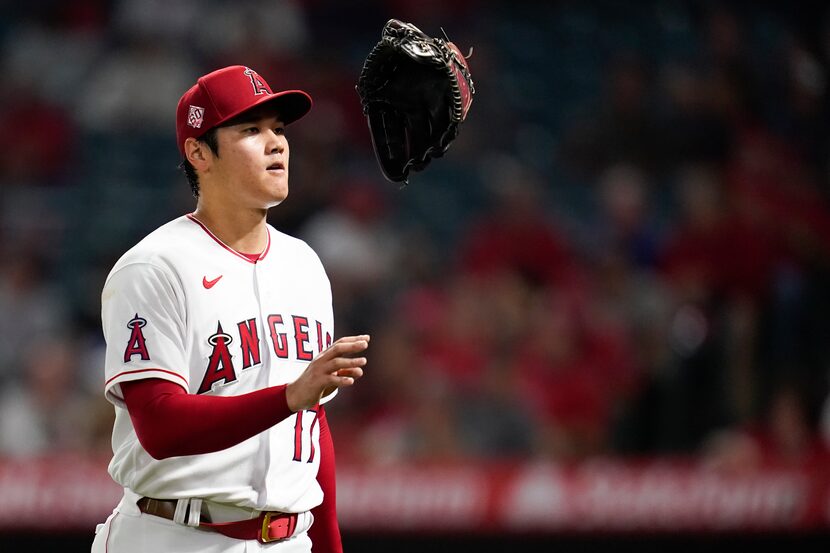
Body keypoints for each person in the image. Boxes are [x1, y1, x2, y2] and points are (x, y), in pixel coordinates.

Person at [91, 65, 369, 553]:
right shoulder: (155, 267)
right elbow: (159, 424)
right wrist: (289, 397)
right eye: (250, 130)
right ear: (199, 152)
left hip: (289, 537)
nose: (276, 143)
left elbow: (309, 424)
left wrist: (329, 547)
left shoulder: (304, 264)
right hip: (172, 534)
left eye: (279, 130)